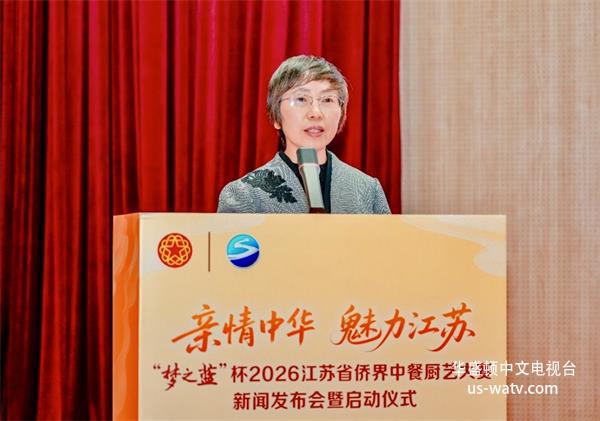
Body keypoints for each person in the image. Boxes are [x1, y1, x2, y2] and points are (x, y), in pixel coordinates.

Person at [217, 55, 391, 214]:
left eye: (327, 99)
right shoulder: (244, 194)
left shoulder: (368, 190)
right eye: (301, 99)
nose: (316, 113)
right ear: (276, 117)